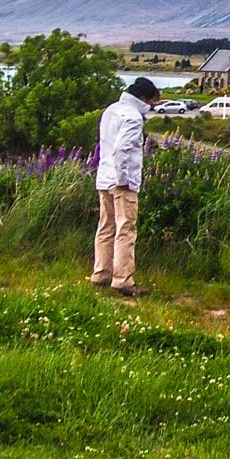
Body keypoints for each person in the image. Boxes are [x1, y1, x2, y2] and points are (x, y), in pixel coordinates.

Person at [92, 77, 161, 297]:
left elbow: (105, 144)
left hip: (104, 177)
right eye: (152, 101)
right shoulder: (133, 117)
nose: (153, 106)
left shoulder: (111, 110)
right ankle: (123, 279)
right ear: (142, 99)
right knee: (125, 230)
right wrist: (123, 180)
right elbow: (121, 150)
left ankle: (101, 273)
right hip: (123, 182)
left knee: (106, 227)